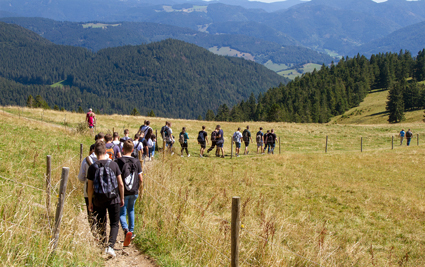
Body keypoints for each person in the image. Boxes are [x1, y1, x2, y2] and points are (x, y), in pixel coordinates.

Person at [87, 141, 124, 257]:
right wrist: (121, 198)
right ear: (105, 151)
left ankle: (103, 245)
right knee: (114, 223)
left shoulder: (92, 167)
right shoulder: (114, 165)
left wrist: (90, 202)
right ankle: (111, 247)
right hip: (114, 198)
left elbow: (90, 188)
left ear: (95, 152)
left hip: (98, 199)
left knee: (101, 222)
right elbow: (121, 184)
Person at [115, 140, 143, 247]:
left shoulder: (119, 161)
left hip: (123, 192)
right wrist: (139, 188)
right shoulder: (136, 161)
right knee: (131, 210)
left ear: (122, 149)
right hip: (134, 190)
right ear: (132, 150)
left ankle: (126, 230)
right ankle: (131, 231)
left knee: (122, 213)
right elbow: (141, 178)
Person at [77, 143, 98, 228]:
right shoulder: (106, 160)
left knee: (90, 212)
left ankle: (94, 232)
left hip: (87, 190)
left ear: (91, 151)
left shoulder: (86, 160)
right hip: (101, 190)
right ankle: (101, 231)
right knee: (100, 212)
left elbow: (81, 178)